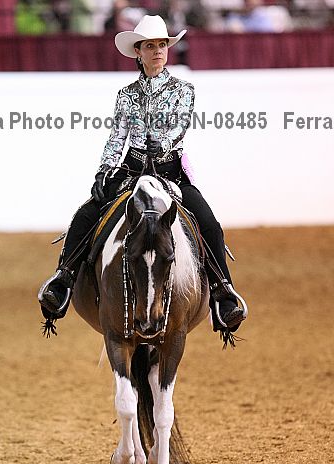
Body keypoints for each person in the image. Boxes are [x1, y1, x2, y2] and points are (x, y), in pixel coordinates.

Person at [38, 14, 247, 337]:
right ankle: (63, 279)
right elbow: (117, 137)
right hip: (131, 170)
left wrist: (162, 144)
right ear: (138, 52)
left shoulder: (184, 90)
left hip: (171, 172)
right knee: (85, 214)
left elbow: (180, 127)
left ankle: (223, 292)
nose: (158, 51)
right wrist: (104, 170)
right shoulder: (126, 95)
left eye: (162, 45)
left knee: (209, 224)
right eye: (150, 46)